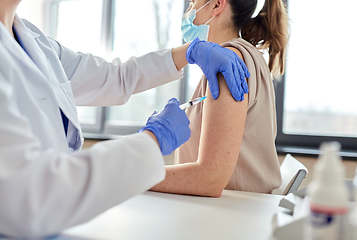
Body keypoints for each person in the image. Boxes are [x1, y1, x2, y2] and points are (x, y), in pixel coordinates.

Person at [0, 0, 250, 238]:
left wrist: (188, 52)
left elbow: (114, 76)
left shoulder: (35, 42)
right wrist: (152, 142)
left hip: (58, 217)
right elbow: (28, 196)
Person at [151, 0, 289, 197]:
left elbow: (209, 178)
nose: (188, 11)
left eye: (192, 3)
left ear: (216, 5)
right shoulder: (238, 56)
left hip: (229, 219)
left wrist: (139, 175)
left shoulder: (228, 63)